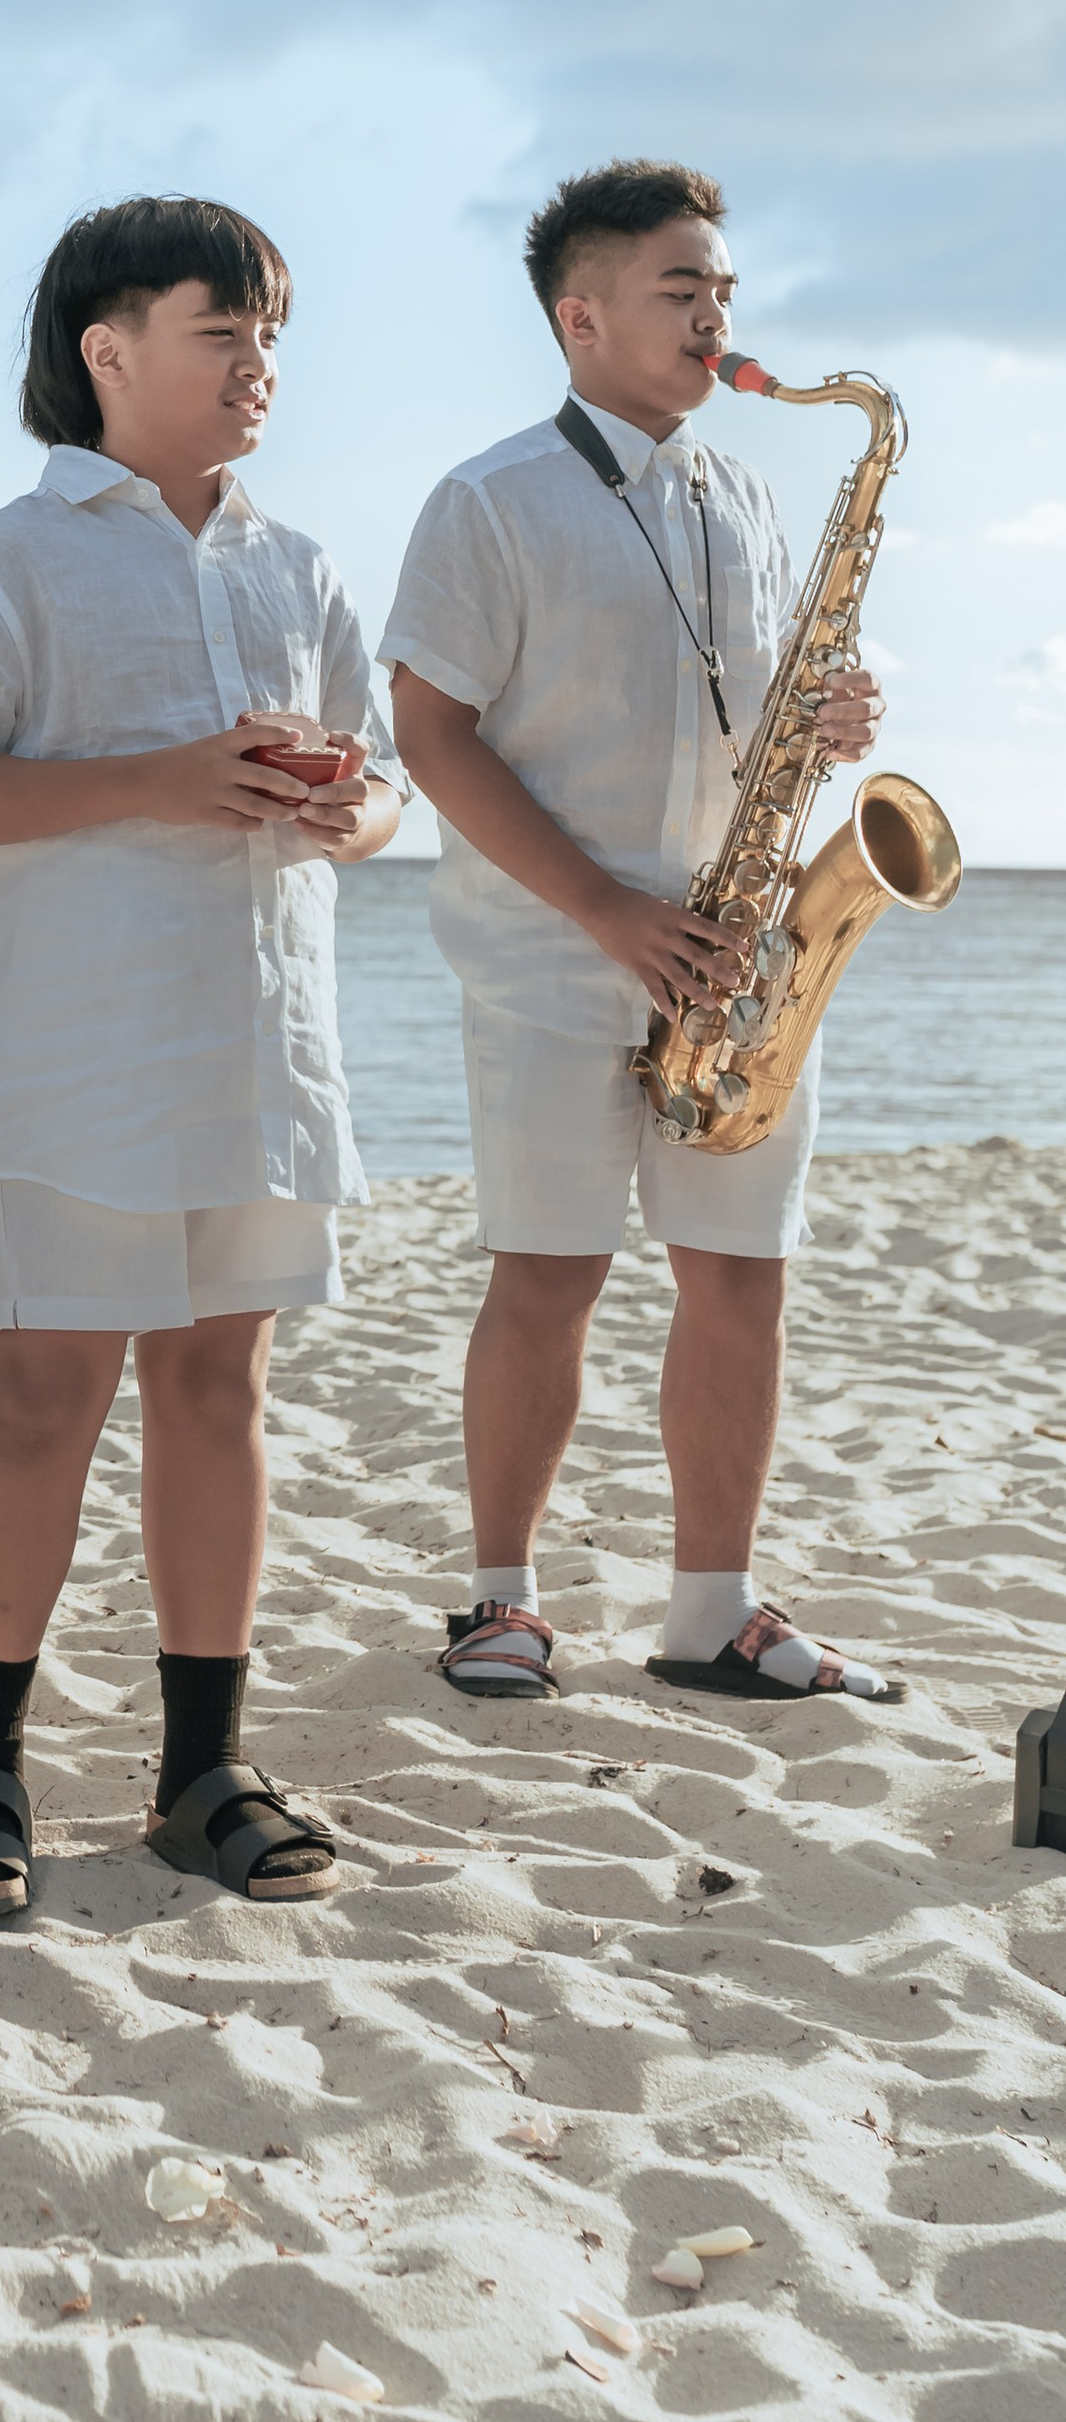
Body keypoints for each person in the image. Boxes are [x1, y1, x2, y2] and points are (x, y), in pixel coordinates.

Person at [0, 197, 404, 1921]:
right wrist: (158, 777)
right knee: (41, 1400)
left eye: (272, 335)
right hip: (79, 1055)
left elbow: (383, 796)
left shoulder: (296, 560)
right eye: (222, 329)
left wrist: (346, 802)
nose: (260, 364)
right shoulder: (9, 561)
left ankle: (200, 1773)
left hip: (264, 1047)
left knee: (218, 1390)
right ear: (110, 350)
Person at [381, 158, 896, 1707]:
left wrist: (832, 726)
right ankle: (501, 1600)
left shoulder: (744, 494)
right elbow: (431, 731)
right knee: (550, 1276)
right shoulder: (488, 499)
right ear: (580, 312)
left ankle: (711, 1610)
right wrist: (605, 905)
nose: (718, 319)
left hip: (734, 958)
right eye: (684, 290)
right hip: (553, 953)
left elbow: (761, 731)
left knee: (744, 1277)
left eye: (725, 290)